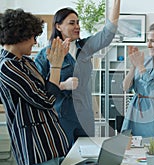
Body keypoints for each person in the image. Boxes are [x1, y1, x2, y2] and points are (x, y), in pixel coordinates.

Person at [34, 0, 121, 146]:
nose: (77, 27)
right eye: (72, 23)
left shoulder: (85, 47)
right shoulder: (46, 54)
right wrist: (62, 85)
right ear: (58, 26)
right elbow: (38, 89)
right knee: (65, 159)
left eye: (78, 23)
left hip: (85, 116)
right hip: (61, 116)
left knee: (87, 157)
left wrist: (117, 2)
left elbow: (108, 33)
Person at [0, 9, 69, 165]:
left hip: (50, 145)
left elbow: (46, 89)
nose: (35, 42)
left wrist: (55, 64)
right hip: (36, 149)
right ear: (20, 35)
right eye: (33, 37)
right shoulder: (7, 66)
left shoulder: (26, 62)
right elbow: (47, 100)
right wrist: (56, 66)